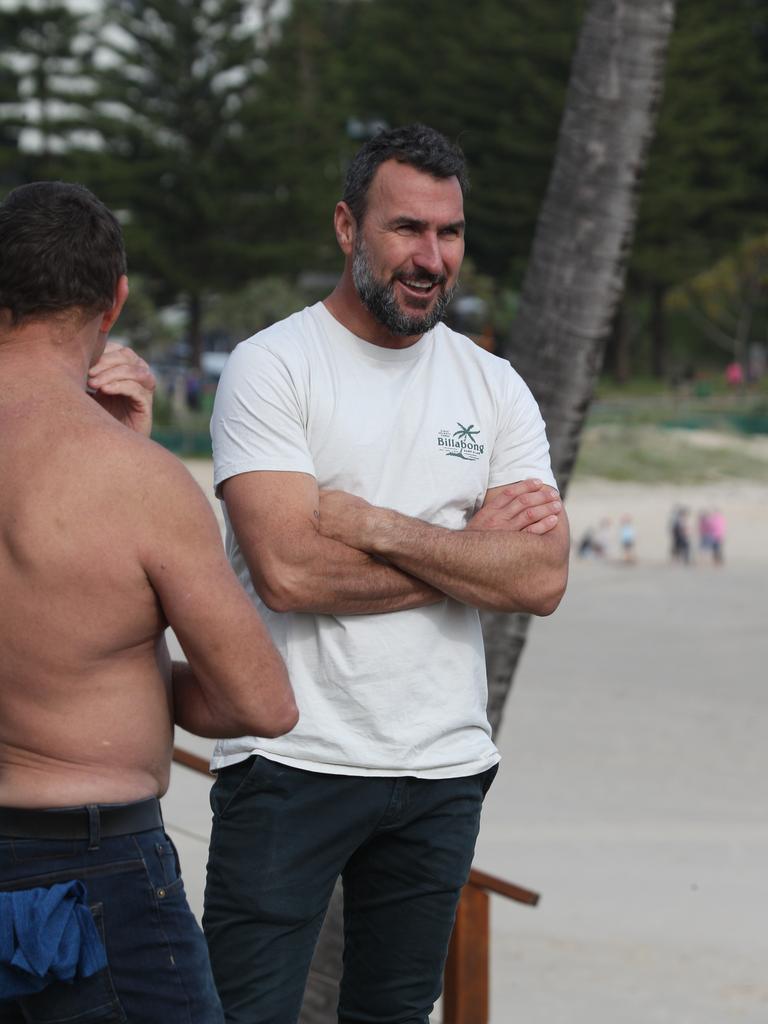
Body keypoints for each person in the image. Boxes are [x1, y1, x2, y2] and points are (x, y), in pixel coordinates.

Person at [205, 123, 570, 1024]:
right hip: (290, 759)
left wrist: (368, 524)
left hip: (442, 768)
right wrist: (466, 549)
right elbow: (288, 570)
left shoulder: (494, 385)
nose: (430, 257)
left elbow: (542, 580)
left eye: (448, 234)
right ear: (345, 227)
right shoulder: (272, 368)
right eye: (407, 229)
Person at [0, 181, 297, 1022]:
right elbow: (260, 701)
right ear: (115, 300)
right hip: (91, 872)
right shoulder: (137, 483)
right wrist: (116, 673)